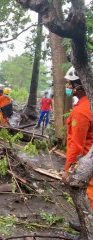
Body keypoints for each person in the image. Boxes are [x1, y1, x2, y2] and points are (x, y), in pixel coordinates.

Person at [61, 66, 93, 236]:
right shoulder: (88, 103)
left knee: (89, 197)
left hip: (86, 163)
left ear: (79, 85)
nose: (67, 85)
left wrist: (68, 170)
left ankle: (87, 233)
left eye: (69, 82)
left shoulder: (81, 112)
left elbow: (76, 145)